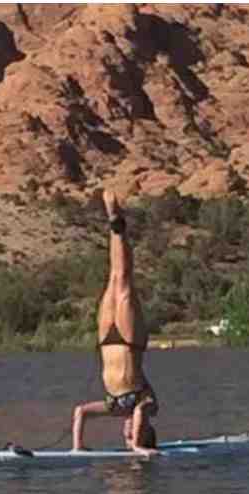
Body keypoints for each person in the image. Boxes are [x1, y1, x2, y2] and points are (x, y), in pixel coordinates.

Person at [72, 189, 159, 456]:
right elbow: (142, 411)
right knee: (123, 278)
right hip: (130, 341)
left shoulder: (115, 409)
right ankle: (117, 225)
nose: (127, 432)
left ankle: (114, 225)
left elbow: (81, 412)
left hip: (107, 341)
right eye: (132, 434)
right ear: (145, 432)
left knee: (112, 278)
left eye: (126, 436)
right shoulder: (149, 406)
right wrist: (138, 447)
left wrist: (77, 448)